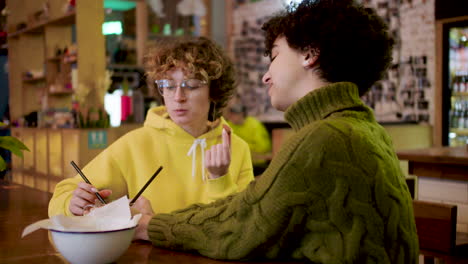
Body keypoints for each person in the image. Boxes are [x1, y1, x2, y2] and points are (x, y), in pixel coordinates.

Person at [134, 0, 419, 263]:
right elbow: (248, 207)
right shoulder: (364, 129)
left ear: (309, 54)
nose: (266, 74)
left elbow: (241, 226)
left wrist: (150, 225)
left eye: (274, 56)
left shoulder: (325, 137)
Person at [48, 37, 255, 217]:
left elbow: (242, 224)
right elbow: (63, 194)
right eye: (168, 85)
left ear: (214, 91)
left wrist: (219, 179)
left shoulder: (236, 148)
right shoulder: (136, 143)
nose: (178, 97)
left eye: (191, 85)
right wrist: (72, 204)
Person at [224, 101, 272, 175]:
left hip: (256, 164)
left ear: (242, 114)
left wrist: (241, 146)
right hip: (236, 163)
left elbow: (263, 147)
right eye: (231, 114)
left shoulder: (254, 125)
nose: (231, 116)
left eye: (234, 114)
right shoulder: (228, 126)